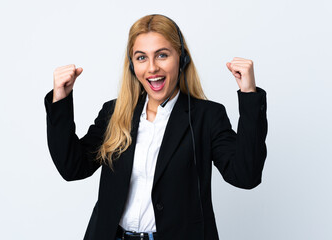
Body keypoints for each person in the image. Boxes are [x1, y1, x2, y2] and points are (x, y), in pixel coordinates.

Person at [44, 14, 267, 240]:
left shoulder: (206, 117)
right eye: (141, 57)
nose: (152, 68)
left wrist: (249, 96)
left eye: (162, 55)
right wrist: (60, 99)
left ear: (181, 59)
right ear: (132, 65)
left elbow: (245, 175)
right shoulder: (114, 113)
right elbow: (72, 168)